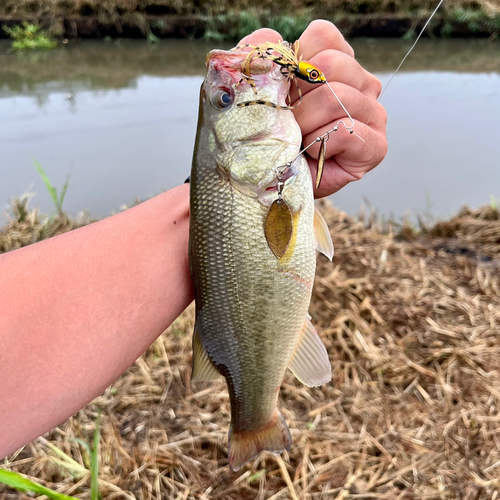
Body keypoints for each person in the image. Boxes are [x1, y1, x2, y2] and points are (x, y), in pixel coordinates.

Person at [0, 20, 387, 459]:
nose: (234, 90)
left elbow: (224, 217)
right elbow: (228, 215)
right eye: (226, 99)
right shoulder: (247, 172)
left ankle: (253, 415)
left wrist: (199, 208)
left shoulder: (248, 169)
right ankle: (255, 424)